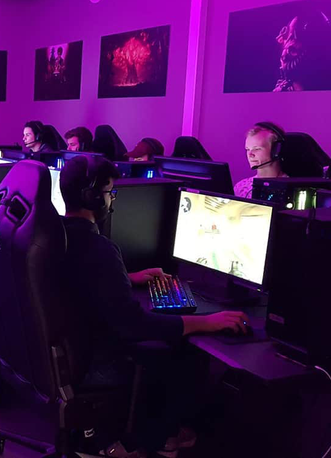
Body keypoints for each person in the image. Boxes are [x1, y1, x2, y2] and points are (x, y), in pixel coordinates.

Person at [59, 155, 249, 458]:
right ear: (93, 197)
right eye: (110, 192)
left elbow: (79, 282)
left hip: (63, 355)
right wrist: (206, 322)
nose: (112, 200)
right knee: (183, 355)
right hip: (94, 363)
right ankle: (154, 440)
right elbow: (133, 325)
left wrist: (126, 277)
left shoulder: (57, 235)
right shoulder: (99, 249)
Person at [234, 122, 288, 199]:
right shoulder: (240, 187)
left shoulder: (291, 187)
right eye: (247, 149)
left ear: (276, 151)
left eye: (257, 149)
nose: (250, 154)